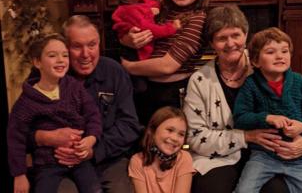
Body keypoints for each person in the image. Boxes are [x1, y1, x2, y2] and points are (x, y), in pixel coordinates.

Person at [182, 5, 302, 193]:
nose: (231, 43)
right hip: (219, 157)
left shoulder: (269, 62)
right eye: (222, 38)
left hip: (273, 154)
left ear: (245, 35)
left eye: (236, 35)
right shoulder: (200, 81)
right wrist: (245, 137)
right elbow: (195, 137)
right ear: (212, 43)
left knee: (278, 191)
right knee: (211, 189)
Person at [32, 15, 142, 193]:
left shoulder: (114, 72)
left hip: (107, 158)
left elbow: (129, 125)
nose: (85, 54)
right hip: (58, 161)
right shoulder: (45, 74)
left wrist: (93, 151)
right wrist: (46, 137)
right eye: (76, 46)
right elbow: (23, 127)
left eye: (92, 45)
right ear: (64, 47)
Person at [121, 0, 209, 125]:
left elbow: (167, 66)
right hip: (144, 89)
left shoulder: (198, 19)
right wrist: (128, 39)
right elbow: (128, 25)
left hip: (172, 95)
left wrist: (127, 67)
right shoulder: (158, 8)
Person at [7, 33, 102, 193]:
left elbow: (93, 115)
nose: (60, 60)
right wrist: (19, 174)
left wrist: (91, 139)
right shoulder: (26, 102)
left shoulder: (74, 87)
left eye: (65, 55)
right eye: (52, 55)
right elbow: (15, 139)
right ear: (37, 62)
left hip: (79, 159)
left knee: (94, 189)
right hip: (47, 165)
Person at [233, 27, 302, 193]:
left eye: (284, 51)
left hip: (298, 158)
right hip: (264, 156)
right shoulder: (251, 85)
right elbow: (240, 117)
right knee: (245, 189)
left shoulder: (299, 82)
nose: (280, 56)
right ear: (255, 61)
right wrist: (266, 118)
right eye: (271, 51)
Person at [110, 0, 181, 61]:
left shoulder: (140, 1)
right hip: (137, 55)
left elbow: (153, 3)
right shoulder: (128, 11)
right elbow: (150, 30)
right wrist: (171, 28)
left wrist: (151, 10)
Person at [128, 106, 195, 193]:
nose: (175, 138)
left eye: (181, 134)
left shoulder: (184, 158)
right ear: (153, 131)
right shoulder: (137, 161)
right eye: (170, 130)